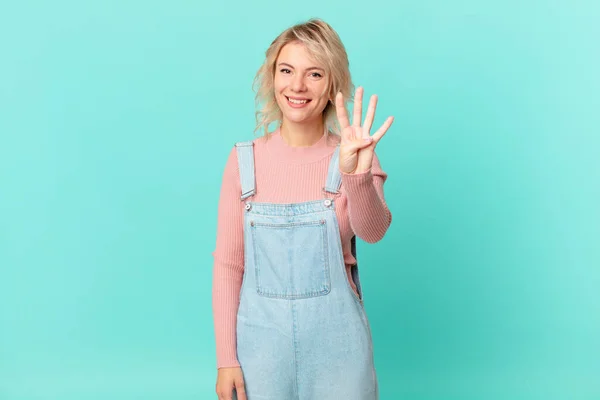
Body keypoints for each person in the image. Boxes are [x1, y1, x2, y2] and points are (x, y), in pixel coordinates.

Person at [212, 18, 394, 400]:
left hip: (339, 354)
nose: (297, 86)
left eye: (314, 73)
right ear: (272, 76)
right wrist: (226, 360)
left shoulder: (353, 154)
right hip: (260, 353)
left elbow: (374, 231)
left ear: (332, 85)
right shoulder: (244, 162)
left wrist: (355, 176)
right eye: (286, 70)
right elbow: (229, 265)